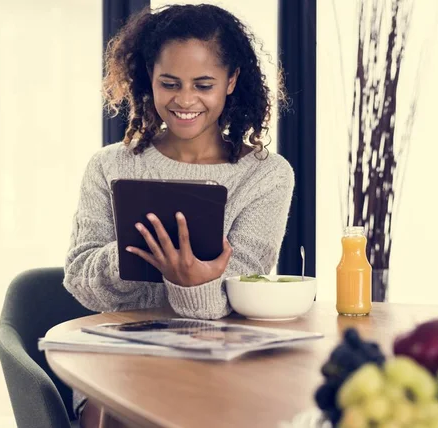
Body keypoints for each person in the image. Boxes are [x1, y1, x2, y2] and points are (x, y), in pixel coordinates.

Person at [62, 4, 295, 427]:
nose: (185, 100)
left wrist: (192, 283)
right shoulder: (109, 166)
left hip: (217, 368)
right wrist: (134, 252)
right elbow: (80, 280)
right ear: (149, 76)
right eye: (169, 83)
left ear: (231, 81)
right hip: (119, 363)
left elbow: (237, 297)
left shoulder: (267, 176)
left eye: (203, 84)